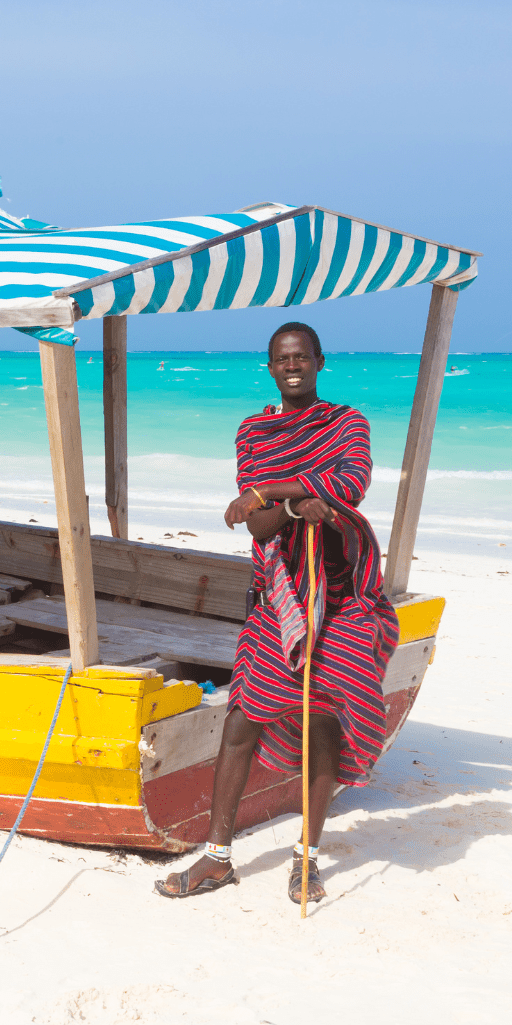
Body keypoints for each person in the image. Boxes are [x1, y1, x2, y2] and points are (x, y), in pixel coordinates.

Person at [155, 322, 400, 905]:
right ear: (270, 367)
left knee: (324, 721)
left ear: (319, 361)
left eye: (301, 357)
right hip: (282, 594)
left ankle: (307, 858)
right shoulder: (255, 430)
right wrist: (294, 503)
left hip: (341, 597)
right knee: (242, 720)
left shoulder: (348, 423)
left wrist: (269, 494)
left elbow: (351, 486)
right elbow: (261, 525)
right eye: (281, 359)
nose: (292, 366)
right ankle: (217, 858)